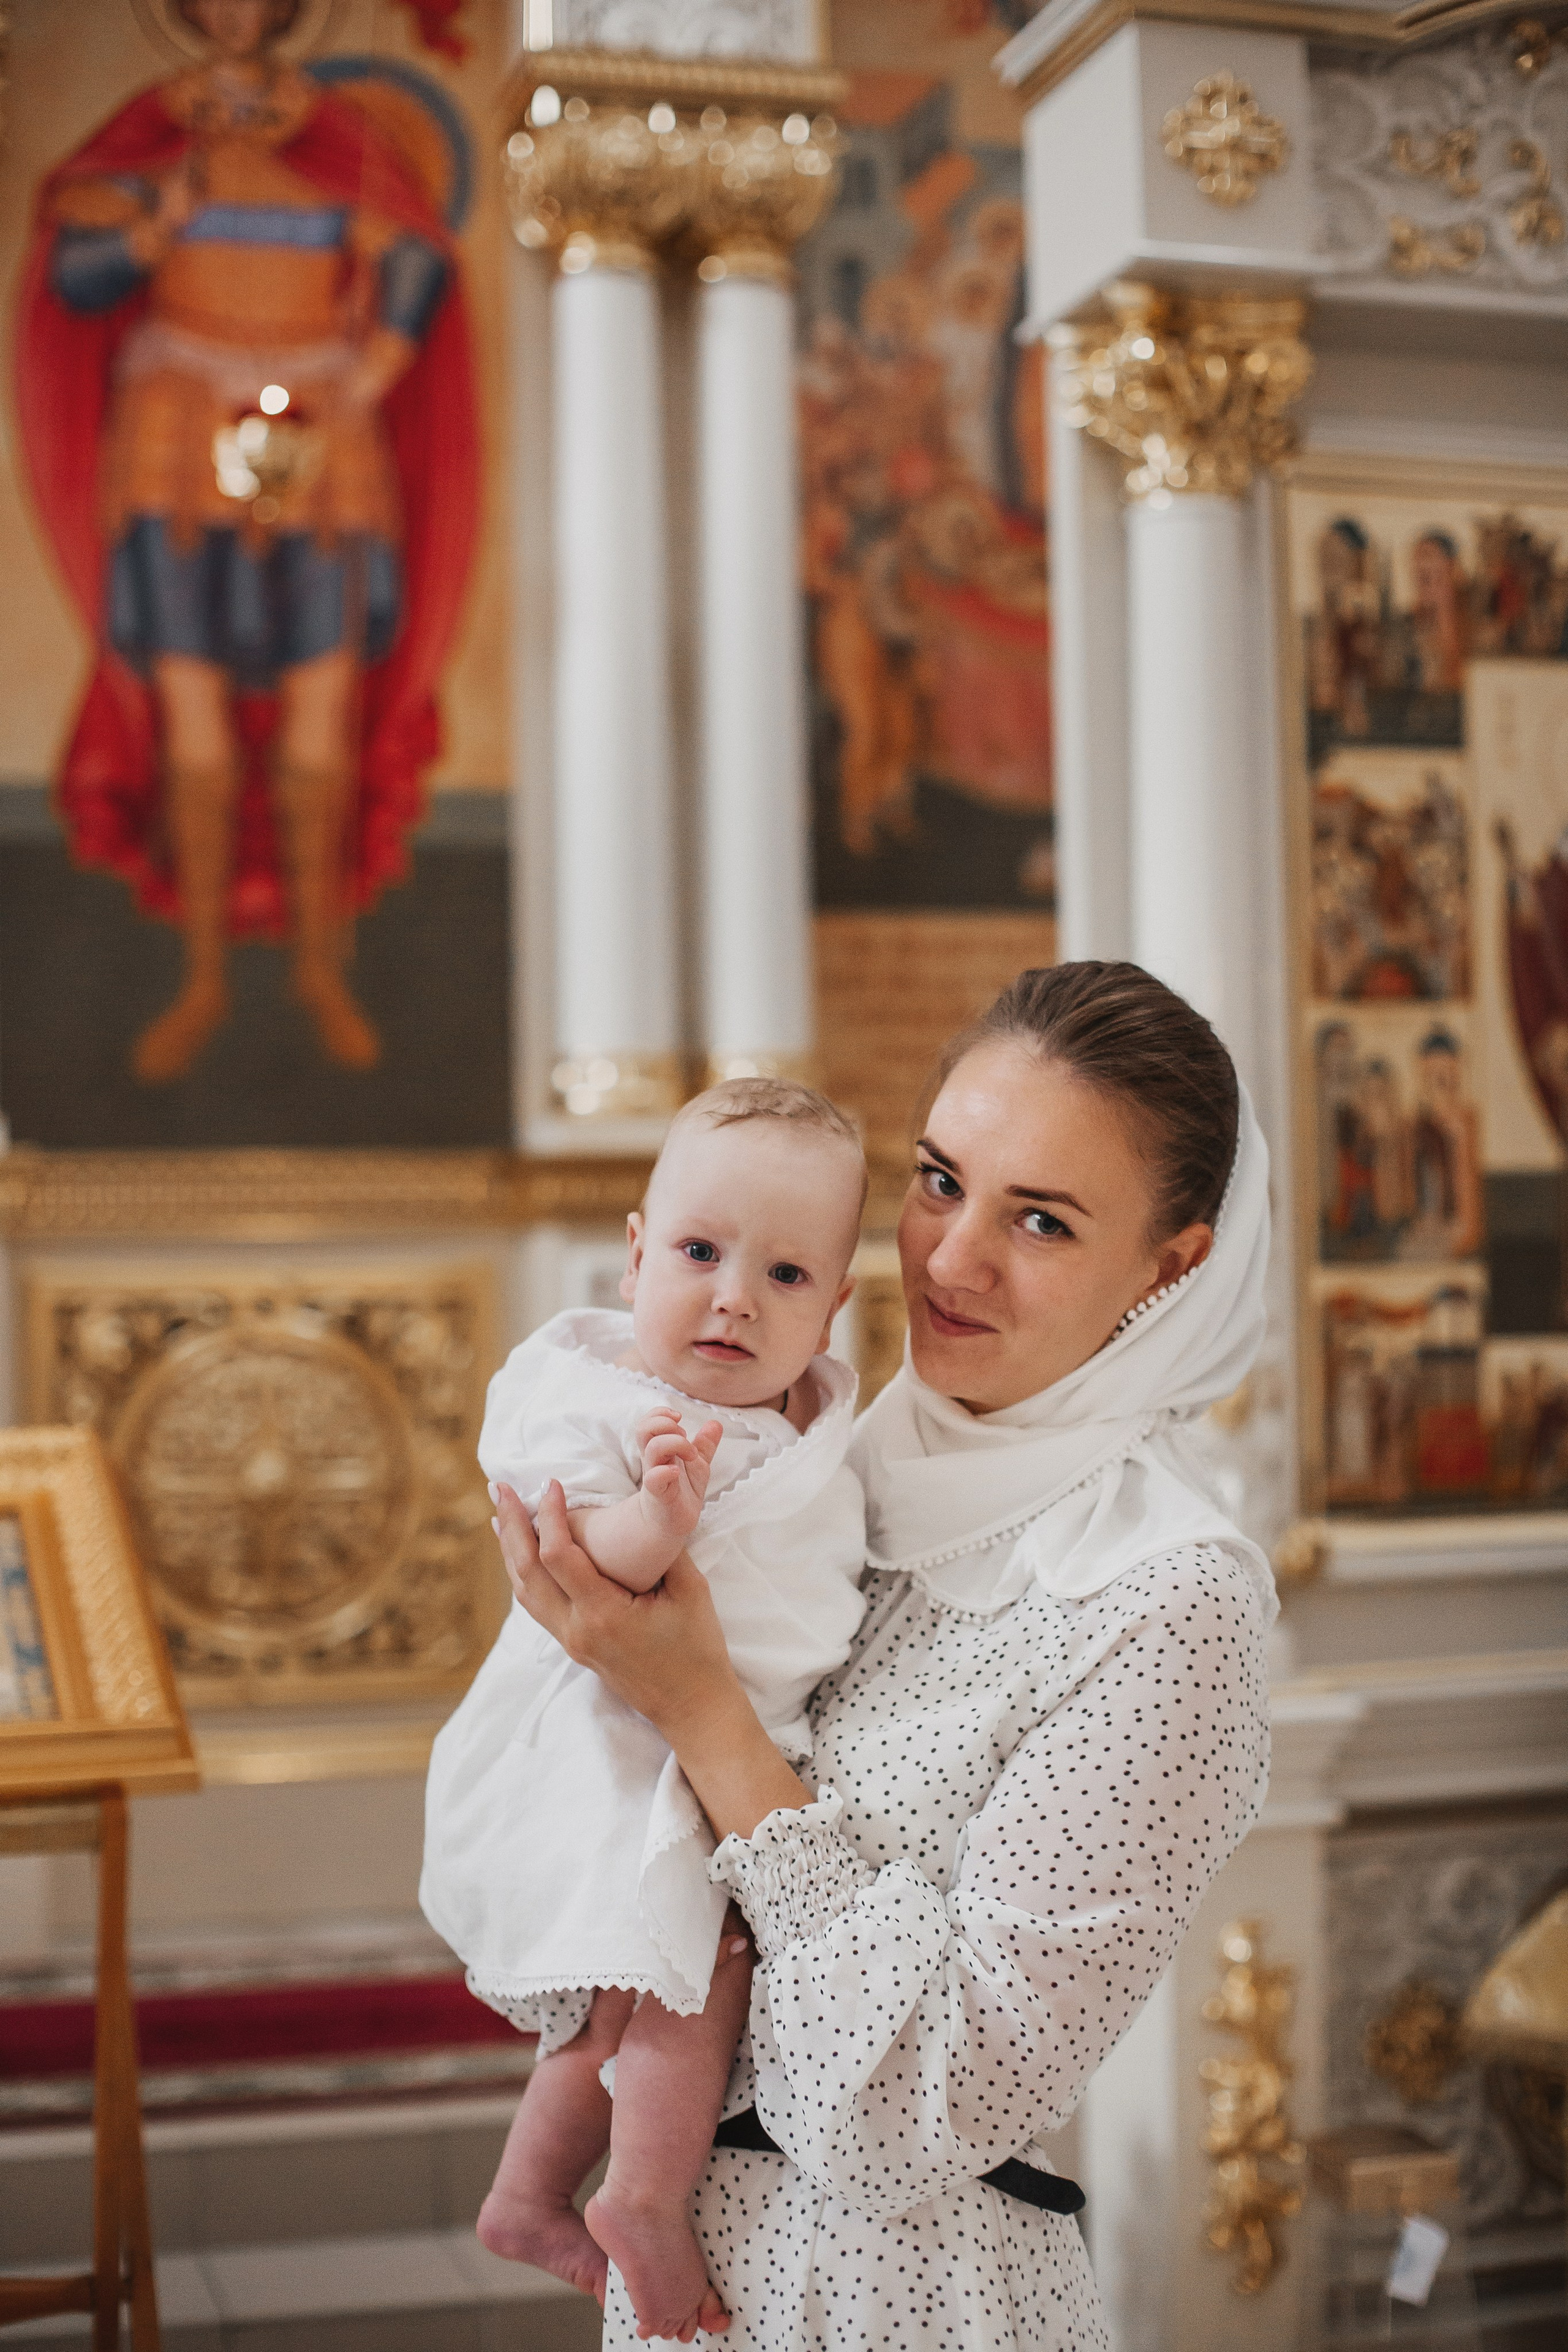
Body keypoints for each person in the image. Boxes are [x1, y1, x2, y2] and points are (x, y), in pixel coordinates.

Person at [494, 961, 1276, 2349]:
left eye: (1037, 1219)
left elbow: (924, 2112)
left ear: (1173, 1263)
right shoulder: (807, 1465)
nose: (948, 1257)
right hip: (679, 2289)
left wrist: (701, 1715)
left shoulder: (1164, 1599)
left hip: (901, 2306)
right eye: (936, 1181)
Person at [420, 1080, 871, 2344]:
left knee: (630, 1989)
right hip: (603, 1744)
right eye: (697, 1253)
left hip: (713, 1742)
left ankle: (521, 2193)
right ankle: (644, 2197)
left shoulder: (817, 1425)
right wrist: (654, 1524)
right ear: (633, 1254)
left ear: (833, 1305)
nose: (732, 1295)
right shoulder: (592, 1397)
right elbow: (574, 1566)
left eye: (784, 1274)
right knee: (698, 1973)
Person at [15, 0, 478, 1080]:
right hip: (174, 443)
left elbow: (417, 253)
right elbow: (74, 275)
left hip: (322, 443)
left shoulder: (337, 132)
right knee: (199, 736)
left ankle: (325, 965)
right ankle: (205, 976)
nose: (235, 12)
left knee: (321, 732)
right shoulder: (150, 136)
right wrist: (149, 228)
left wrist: (379, 363)